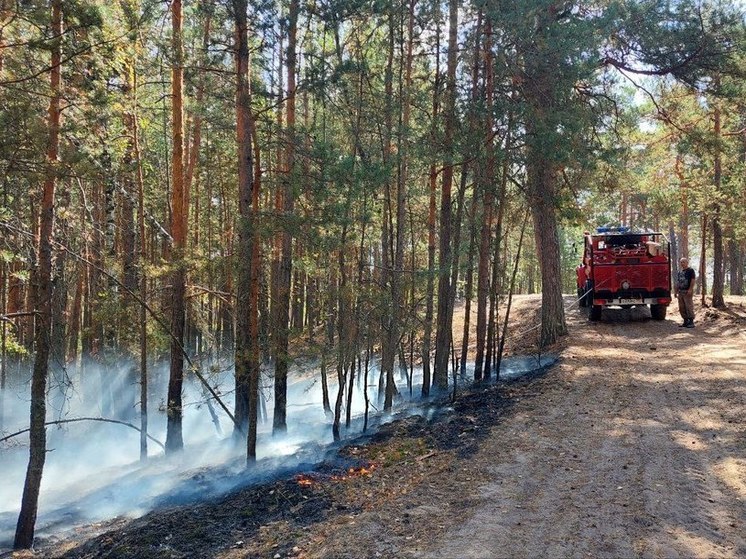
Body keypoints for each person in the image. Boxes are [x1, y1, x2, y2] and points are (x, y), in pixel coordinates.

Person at [675, 257, 696, 328]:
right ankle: (685, 321)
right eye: (681, 262)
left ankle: (691, 322)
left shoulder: (690, 270)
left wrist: (690, 289)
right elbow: (678, 282)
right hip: (680, 292)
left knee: (688, 306)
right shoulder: (680, 272)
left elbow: (693, 280)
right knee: (682, 307)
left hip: (687, 291)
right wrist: (676, 291)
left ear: (687, 263)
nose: (682, 263)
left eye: (684, 262)